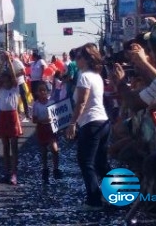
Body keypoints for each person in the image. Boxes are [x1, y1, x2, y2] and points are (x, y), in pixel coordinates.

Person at [65, 43, 110, 210]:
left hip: (90, 122)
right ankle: (114, 195)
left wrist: (72, 123)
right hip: (102, 121)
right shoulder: (96, 76)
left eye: (78, 58)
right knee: (100, 162)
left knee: (86, 162)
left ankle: (94, 200)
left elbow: (82, 102)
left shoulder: (84, 76)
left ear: (85, 59)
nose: (76, 61)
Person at [0, 51, 22, 185]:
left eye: (8, 80)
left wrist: (10, 62)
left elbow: (12, 75)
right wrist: (2, 63)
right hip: (3, 116)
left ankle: (14, 172)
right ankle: (6, 171)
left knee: (14, 146)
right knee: (5, 146)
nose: (6, 82)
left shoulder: (14, 88)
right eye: (3, 80)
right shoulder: (1, 88)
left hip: (12, 116)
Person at [31, 82, 61, 184]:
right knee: (43, 150)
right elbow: (34, 120)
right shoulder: (36, 105)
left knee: (54, 149)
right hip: (42, 128)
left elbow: (57, 115)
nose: (42, 92)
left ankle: (56, 168)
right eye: (40, 90)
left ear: (47, 92)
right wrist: (43, 120)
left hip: (51, 128)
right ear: (37, 92)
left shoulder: (51, 102)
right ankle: (45, 169)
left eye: (44, 90)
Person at [0, 51, 30, 121]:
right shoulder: (5, 64)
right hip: (11, 84)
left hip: (19, 82)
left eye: (7, 56)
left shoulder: (17, 61)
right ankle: (18, 114)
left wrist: (13, 76)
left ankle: (27, 113)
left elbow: (23, 72)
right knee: (15, 99)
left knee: (23, 98)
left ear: (11, 56)